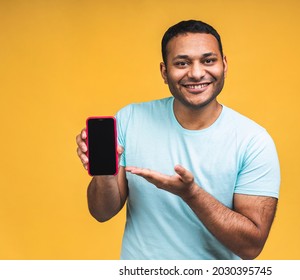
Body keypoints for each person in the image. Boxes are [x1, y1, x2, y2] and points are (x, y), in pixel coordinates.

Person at [76, 20, 280, 260]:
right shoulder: (130, 118)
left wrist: (191, 194)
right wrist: (104, 175)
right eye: (182, 63)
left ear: (224, 65)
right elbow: (102, 212)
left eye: (208, 60)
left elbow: (251, 247)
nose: (195, 73)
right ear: (164, 72)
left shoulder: (253, 141)